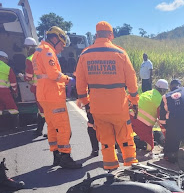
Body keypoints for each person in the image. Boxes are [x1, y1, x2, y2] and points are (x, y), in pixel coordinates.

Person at [76, 21, 139, 171]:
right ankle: (132, 169)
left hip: (98, 108)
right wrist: (134, 101)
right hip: (119, 107)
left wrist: (86, 103)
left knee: (106, 141)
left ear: (96, 34)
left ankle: (110, 169)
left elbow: (80, 82)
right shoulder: (120, 53)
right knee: (125, 139)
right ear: (111, 35)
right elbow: (131, 79)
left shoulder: (85, 54)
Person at [32, 27, 82, 169]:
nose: (62, 48)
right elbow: (54, 74)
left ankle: (56, 156)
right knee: (64, 128)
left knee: (52, 127)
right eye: (61, 44)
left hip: (43, 95)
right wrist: (69, 79)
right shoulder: (48, 51)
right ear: (55, 39)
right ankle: (65, 157)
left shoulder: (38, 50)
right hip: (53, 95)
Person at [158, 79, 184, 169]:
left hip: (174, 125)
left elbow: (162, 117)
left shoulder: (165, 97)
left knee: (172, 137)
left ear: (170, 88)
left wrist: (168, 128)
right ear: (179, 85)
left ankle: (172, 157)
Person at [130, 78, 168, 151]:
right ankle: (131, 142)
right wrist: (166, 134)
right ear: (163, 90)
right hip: (142, 123)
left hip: (130, 118)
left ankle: (127, 140)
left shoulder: (147, 93)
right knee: (149, 147)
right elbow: (161, 119)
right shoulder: (159, 99)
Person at [23, 37, 46, 136]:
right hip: (46, 86)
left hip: (38, 88)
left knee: (42, 110)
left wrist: (22, 76)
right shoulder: (41, 56)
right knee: (44, 109)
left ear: (28, 48)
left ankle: (43, 130)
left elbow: (29, 76)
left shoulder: (29, 59)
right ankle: (40, 129)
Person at [0, 51, 20, 131]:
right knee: (13, 109)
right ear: (2, 58)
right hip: (4, 91)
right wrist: (15, 92)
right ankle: (15, 127)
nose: (7, 61)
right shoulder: (7, 68)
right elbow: (13, 83)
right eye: (6, 59)